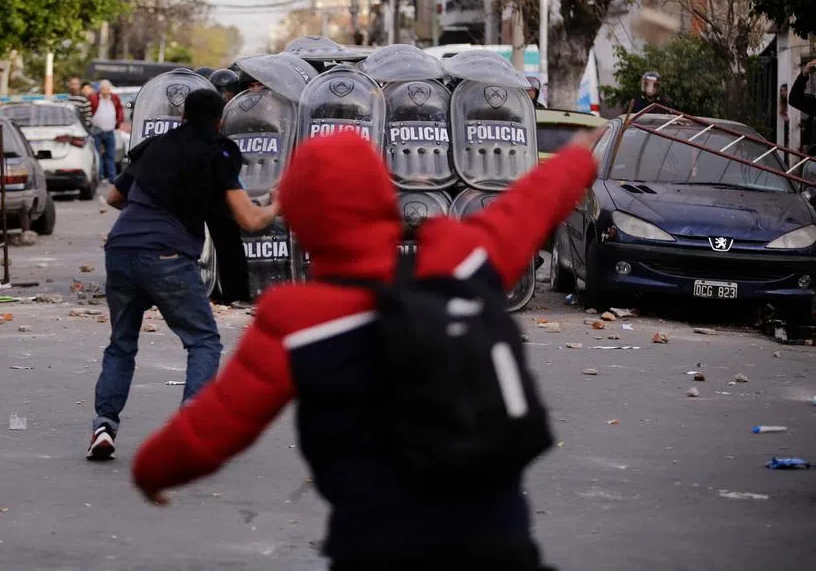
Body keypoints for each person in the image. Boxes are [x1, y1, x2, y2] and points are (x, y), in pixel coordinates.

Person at [130, 127, 602, 570]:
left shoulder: (296, 321)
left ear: (302, 219)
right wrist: (578, 156)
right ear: (382, 196)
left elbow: (213, 428)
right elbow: (529, 206)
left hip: (376, 546)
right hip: (495, 538)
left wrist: (153, 470)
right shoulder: (459, 260)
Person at [88, 89, 280, 461]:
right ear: (220, 121)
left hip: (121, 250)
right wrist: (279, 202)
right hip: (168, 256)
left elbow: (114, 198)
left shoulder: (154, 146)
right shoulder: (217, 151)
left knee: (121, 343)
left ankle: (103, 427)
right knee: (203, 340)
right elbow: (249, 219)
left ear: (182, 117)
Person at [89, 79, 124, 184]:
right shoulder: (94, 98)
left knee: (111, 154)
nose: (105, 91)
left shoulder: (114, 98)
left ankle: (112, 177)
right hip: (96, 130)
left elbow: (119, 110)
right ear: (100, 89)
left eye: (107, 89)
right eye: (103, 89)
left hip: (110, 130)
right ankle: (100, 176)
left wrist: (118, 122)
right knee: (97, 155)